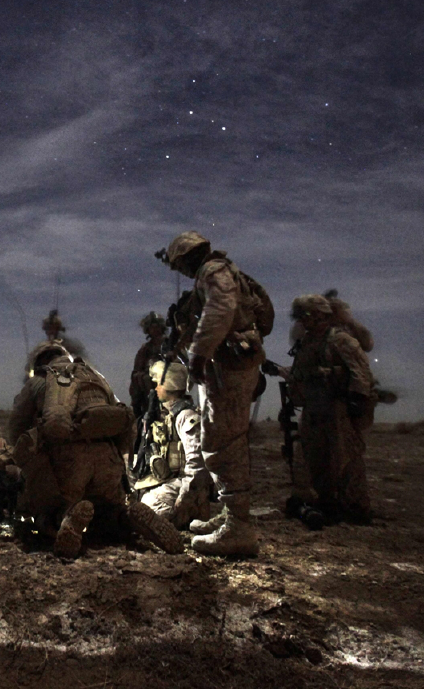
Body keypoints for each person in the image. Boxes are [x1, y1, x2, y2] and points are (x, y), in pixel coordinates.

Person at [8, 342, 183, 559]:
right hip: (108, 459)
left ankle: (65, 517)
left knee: (44, 510)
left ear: (40, 364)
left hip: (67, 463)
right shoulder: (94, 377)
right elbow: (120, 419)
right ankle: (128, 517)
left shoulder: (40, 381)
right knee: (108, 512)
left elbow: (16, 428)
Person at [161, 230, 271, 556]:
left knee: (223, 442)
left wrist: (199, 353)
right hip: (226, 365)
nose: (180, 271)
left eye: (178, 264)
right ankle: (230, 513)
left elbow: (221, 308)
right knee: (218, 438)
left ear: (186, 258)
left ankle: (238, 527)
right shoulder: (222, 271)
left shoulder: (212, 272)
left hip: (227, 367)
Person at [284, 294, 377, 524]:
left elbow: (361, 374)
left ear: (319, 316)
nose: (302, 321)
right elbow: (299, 373)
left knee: (346, 459)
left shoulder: (341, 341)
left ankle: (355, 507)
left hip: (337, 408)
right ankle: (326, 502)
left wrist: (354, 403)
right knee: (315, 458)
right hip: (314, 408)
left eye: (306, 316)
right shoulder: (306, 343)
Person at [135, 360, 213, 530]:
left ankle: (186, 515)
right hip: (172, 480)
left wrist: (184, 497)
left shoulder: (186, 417)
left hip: (187, 485)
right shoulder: (166, 415)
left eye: (158, 384)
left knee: (147, 506)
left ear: (170, 385)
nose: (155, 389)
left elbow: (196, 463)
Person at [129, 311, 168, 419]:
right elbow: (137, 369)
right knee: (139, 378)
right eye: (152, 327)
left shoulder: (170, 344)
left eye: (157, 327)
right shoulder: (145, 348)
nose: (155, 330)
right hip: (150, 380)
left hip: (169, 376)